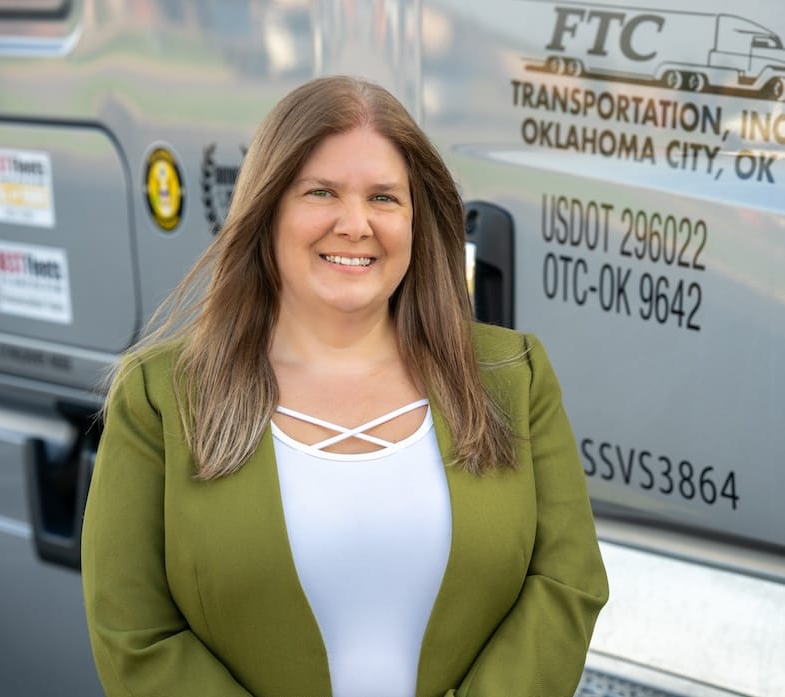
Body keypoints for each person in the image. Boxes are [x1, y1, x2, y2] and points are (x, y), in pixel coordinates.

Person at [81, 75, 608, 697]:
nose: (355, 224)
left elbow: (567, 581)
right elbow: (134, 631)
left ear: (417, 218)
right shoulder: (159, 397)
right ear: (267, 208)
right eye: (321, 192)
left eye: (384, 198)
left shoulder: (512, 375)